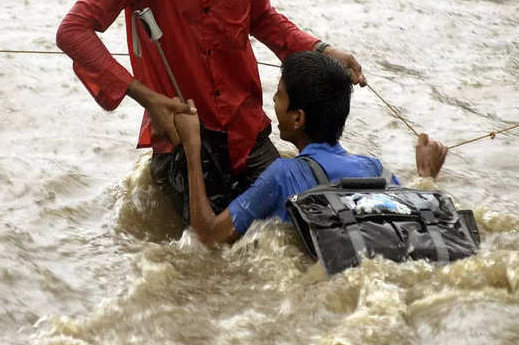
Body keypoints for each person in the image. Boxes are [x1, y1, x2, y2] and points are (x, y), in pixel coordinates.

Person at [56, 0, 365, 213]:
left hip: (245, 129)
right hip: (182, 139)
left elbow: (260, 17)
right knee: (205, 252)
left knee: (304, 218)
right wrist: (150, 100)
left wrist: (323, 50)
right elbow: (73, 30)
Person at [173, 51, 448, 246]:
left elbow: (208, 237)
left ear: (298, 118)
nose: (273, 99)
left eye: (279, 95)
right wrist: (426, 177)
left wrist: (192, 147)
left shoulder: (281, 174)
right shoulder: (373, 168)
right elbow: (410, 220)